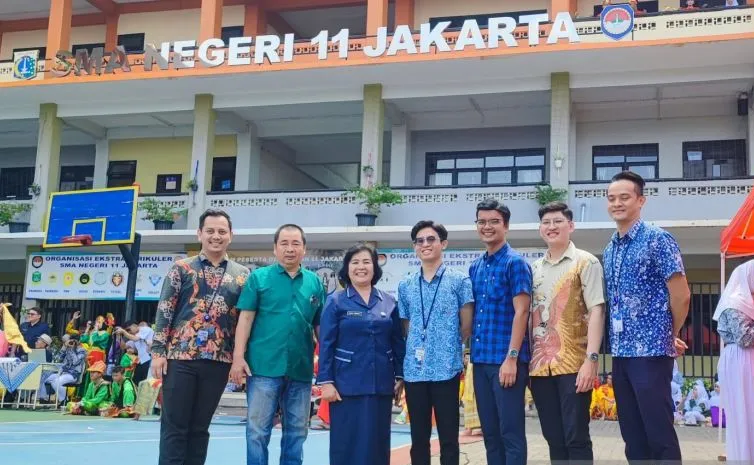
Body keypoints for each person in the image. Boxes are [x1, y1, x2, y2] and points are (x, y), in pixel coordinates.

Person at [603, 171, 690, 462]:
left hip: (651, 352)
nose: (617, 203)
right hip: (621, 352)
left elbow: (681, 294)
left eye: (624, 197)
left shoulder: (658, 239)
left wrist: (671, 333)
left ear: (641, 200)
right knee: (632, 434)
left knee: (658, 432)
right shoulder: (610, 248)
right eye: (611, 198)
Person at [152, 209, 249, 465]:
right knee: (174, 426)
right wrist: (158, 351)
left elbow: (245, 320)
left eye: (222, 231)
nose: (216, 236)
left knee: (200, 428)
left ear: (231, 235)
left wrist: (240, 358)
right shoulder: (181, 268)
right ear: (199, 234)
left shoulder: (242, 275)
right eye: (210, 231)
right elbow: (165, 309)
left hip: (219, 361)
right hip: (180, 358)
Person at [231, 224, 326, 465]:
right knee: (257, 431)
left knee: (297, 432)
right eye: (284, 243)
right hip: (263, 367)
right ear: (275, 248)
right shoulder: (258, 278)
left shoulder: (315, 282)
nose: (290, 249)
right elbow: (245, 318)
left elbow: (320, 326)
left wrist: (327, 365)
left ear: (304, 249)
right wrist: (238, 357)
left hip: (300, 369)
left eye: (296, 244)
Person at [529, 202, 605, 464]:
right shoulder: (534, 269)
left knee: (576, 437)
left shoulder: (586, 262)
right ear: (540, 229)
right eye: (546, 222)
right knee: (553, 437)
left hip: (574, 365)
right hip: (540, 368)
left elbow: (597, 310)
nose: (551, 227)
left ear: (570, 226)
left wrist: (591, 360)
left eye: (557, 221)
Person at [316, 244, 406, 465]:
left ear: (375, 267)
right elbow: (326, 344)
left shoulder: (388, 301)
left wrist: (400, 375)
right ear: (347, 268)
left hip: (380, 384)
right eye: (355, 262)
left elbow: (397, 341)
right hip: (345, 386)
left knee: (377, 443)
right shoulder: (336, 301)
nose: (361, 267)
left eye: (366, 262)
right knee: (346, 443)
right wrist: (326, 382)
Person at [398, 220, 473, 465]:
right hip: (415, 371)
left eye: (431, 239)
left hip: (446, 369)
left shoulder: (459, 281)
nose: (425, 244)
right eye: (420, 241)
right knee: (418, 438)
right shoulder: (406, 285)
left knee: (448, 437)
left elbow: (466, 326)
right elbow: (406, 326)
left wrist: (444, 345)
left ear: (444, 244)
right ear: (414, 247)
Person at [469, 198, 532, 465]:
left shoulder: (515, 263)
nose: (487, 226)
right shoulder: (475, 266)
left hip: (506, 362)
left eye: (494, 221)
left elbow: (522, 311)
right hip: (481, 360)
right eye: (482, 221)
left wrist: (512, 358)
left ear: (505, 226)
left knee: (510, 433)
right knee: (490, 434)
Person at [714, 260, 754, 461]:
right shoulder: (734, 303)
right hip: (741, 360)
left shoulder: (748, 302)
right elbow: (745, 338)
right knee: (744, 413)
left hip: (747, 359)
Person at [40, 334, 87, 404]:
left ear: (79, 341)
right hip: (62, 373)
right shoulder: (67, 348)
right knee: (43, 377)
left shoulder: (82, 350)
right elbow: (57, 360)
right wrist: (64, 347)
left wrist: (72, 350)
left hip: (73, 375)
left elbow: (75, 362)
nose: (73, 343)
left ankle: (64, 400)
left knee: (56, 382)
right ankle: (44, 398)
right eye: (71, 341)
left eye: (75, 341)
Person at [115, 320, 153, 385]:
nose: (129, 332)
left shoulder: (145, 329)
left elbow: (135, 338)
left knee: (145, 382)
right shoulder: (135, 336)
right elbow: (124, 347)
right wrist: (118, 336)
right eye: (127, 331)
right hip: (141, 361)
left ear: (134, 325)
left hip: (150, 359)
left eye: (128, 329)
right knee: (136, 382)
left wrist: (123, 331)